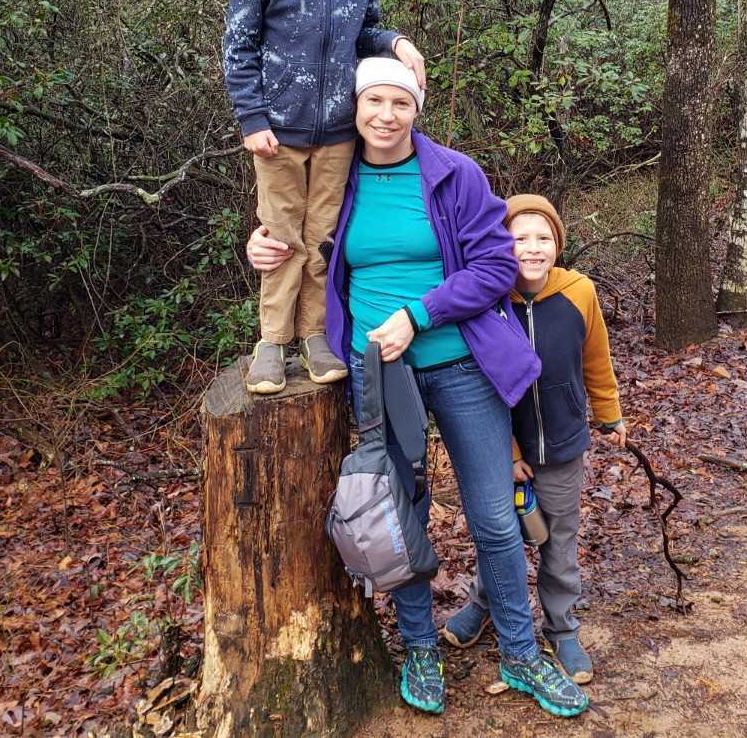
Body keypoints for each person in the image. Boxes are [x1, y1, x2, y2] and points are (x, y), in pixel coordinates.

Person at [246, 58, 590, 720]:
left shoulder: (453, 174)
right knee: (396, 518)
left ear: (416, 108)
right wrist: (262, 245)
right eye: (373, 101)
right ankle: (420, 650)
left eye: (399, 103)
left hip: (461, 363)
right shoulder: (339, 176)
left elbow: (495, 265)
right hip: (379, 374)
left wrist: (420, 313)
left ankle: (521, 654)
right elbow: (291, 226)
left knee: (493, 516)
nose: (385, 114)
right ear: (356, 106)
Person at [224, 0, 425, 395]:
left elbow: (366, 32)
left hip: (339, 131)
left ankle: (314, 335)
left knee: (324, 237)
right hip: (277, 132)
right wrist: (252, 118)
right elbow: (238, 45)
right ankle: (271, 342)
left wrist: (396, 43)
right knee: (281, 235)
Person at [440, 194, 625, 685]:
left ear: (558, 244)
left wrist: (610, 416)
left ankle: (562, 629)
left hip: (564, 445)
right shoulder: (489, 299)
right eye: (519, 238)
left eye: (543, 238)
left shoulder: (579, 292)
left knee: (557, 539)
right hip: (504, 447)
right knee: (502, 534)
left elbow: (596, 360)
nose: (532, 249)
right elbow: (478, 387)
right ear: (501, 244)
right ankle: (484, 602)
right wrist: (510, 454)